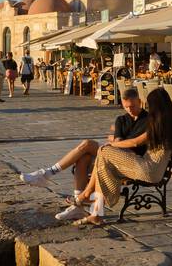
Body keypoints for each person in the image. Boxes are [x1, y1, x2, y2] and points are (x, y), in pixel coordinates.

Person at [20, 88, 150, 220]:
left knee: (87, 144)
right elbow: (118, 142)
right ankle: (77, 207)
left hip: (131, 161)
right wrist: (114, 142)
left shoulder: (148, 120)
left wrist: (114, 142)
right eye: (126, 106)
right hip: (114, 154)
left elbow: (131, 144)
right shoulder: (121, 119)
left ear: (139, 102)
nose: (130, 109)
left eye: (133, 106)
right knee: (84, 157)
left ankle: (47, 174)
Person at [71, 88, 172, 226]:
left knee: (104, 151)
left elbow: (136, 142)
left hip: (147, 169)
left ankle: (88, 196)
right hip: (155, 171)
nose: (148, 108)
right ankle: (95, 212)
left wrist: (112, 144)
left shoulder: (159, 124)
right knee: (104, 162)